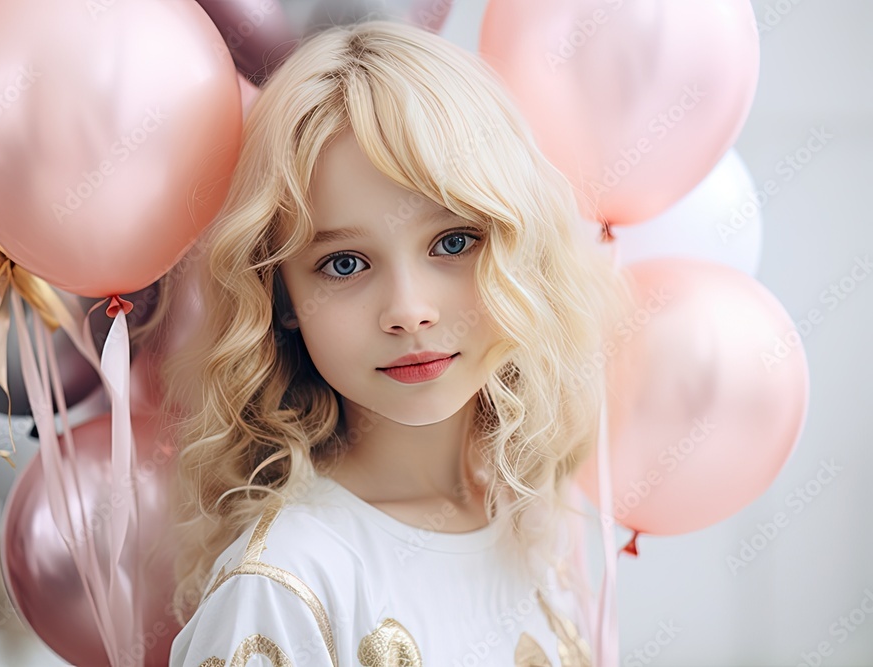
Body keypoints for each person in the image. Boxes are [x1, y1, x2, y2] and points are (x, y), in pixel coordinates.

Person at [149, 18, 631, 667]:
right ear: (282, 297)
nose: (408, 311)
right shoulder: (284, 586)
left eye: (454, 241)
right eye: (345, 263)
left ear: (521, 250)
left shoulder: (530, 526)